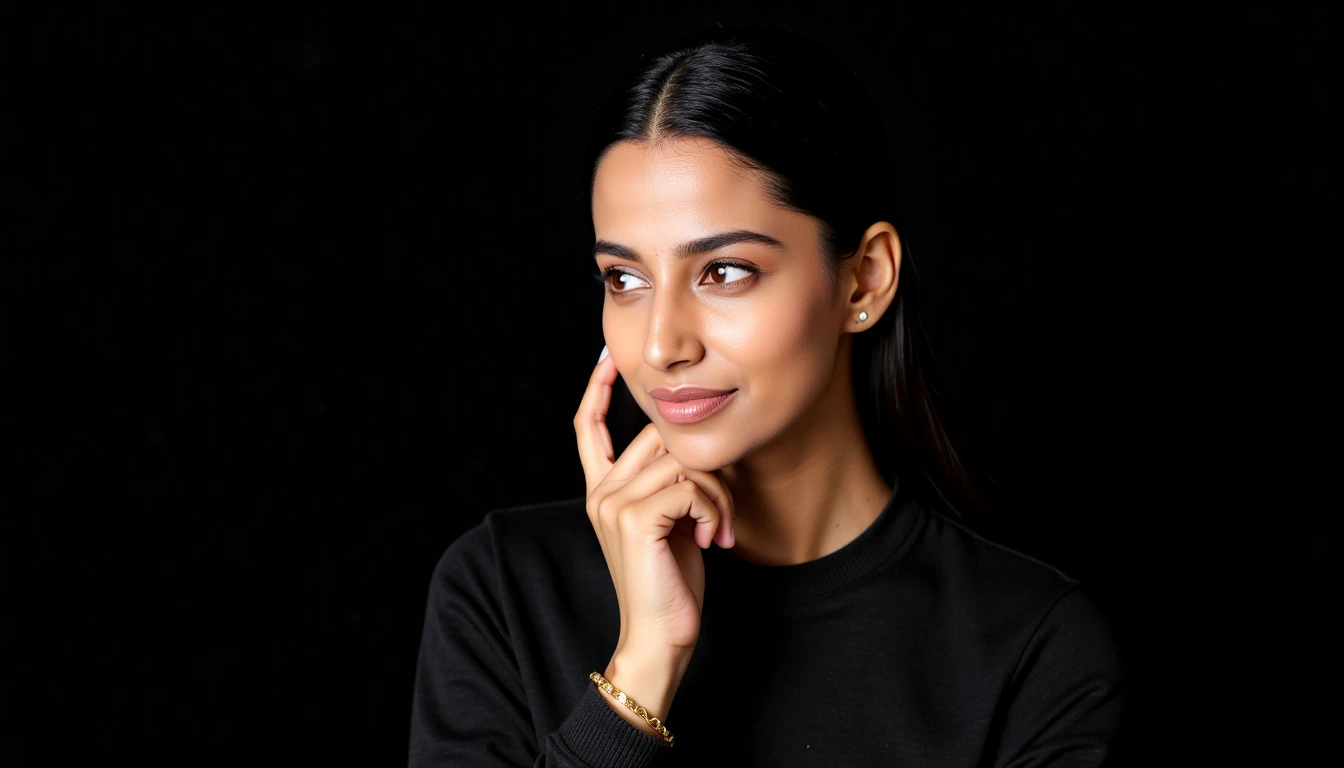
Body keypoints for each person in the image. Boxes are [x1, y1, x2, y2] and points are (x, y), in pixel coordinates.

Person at [409, 23, 1128, 767]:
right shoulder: (503, 590)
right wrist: (644, 667)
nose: (661, 345)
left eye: (723, 271)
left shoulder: (1029, 649)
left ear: (866, 280)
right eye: (624, 279)